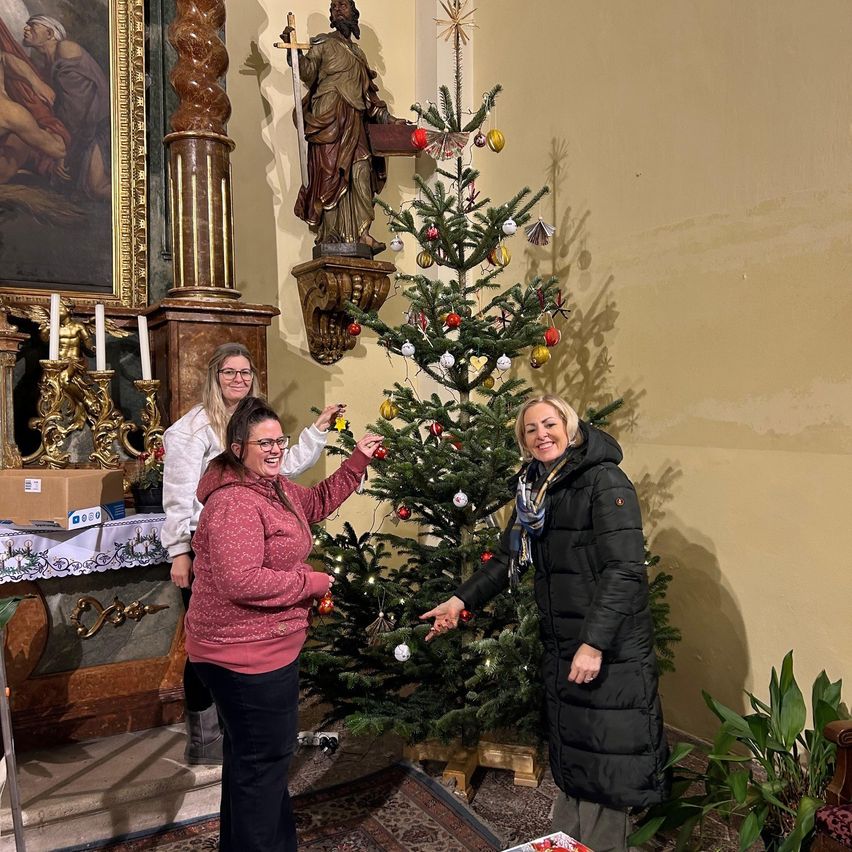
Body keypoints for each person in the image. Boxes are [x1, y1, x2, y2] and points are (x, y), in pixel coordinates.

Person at [421, 394, 669, 852]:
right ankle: (569, 838)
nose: (542, 435)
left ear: (571, 428)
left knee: (605, 751)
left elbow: (625, 571)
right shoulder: (536, 487)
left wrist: (593, 644)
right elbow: (507, 559)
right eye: (531, 429)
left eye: (549, 424)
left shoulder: (604, 480)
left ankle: (603, 843)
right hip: (564, 639)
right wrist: (460, 600)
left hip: (606, 642)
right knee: (577, 744)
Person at [185, 395, 382, 852]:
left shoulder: (274, 488)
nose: (275, 450)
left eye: (279, 441)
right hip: (244, 654)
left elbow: (313, 504)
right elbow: (241, 581)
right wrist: (310, 582)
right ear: (238, 448)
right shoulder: (235, 501)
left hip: (256, 648)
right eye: (264, 443)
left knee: (250, 762)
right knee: (264, 766)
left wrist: (356, 463)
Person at [161, 342, 345, 764]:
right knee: (205, 643)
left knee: (239, 642)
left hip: (250, 545)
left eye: (245, 373)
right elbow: (178, 495)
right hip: (202, 547)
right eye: (230, 372)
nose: (239, 380)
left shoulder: (256, 425)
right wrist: (179, 552)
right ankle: (205, 739)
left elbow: (282, 465)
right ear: (215, 377)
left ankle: (236, 730)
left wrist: (317, 430)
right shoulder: (190, 431)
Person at [282, 0, 407, 254]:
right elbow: (306, 73)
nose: (338, 9)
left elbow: (370, 98)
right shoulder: (323, 43)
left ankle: (363, 234)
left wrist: (390, 121)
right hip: (328, 121)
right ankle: (331, 235)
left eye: (343, 5)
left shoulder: (359, 55)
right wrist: (293, 53)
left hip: (354, 123)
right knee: (329, 178)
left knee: (361, 173)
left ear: (353, 13)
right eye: (334, 6)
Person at [23, 14, 110, 199]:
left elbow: (76, 108)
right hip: (79, 129)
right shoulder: (45, 63)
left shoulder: (66, 49)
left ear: (49, 33)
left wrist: (62, 150)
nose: (26, 29)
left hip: (96, 127)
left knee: (97, 187)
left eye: (32, 26)